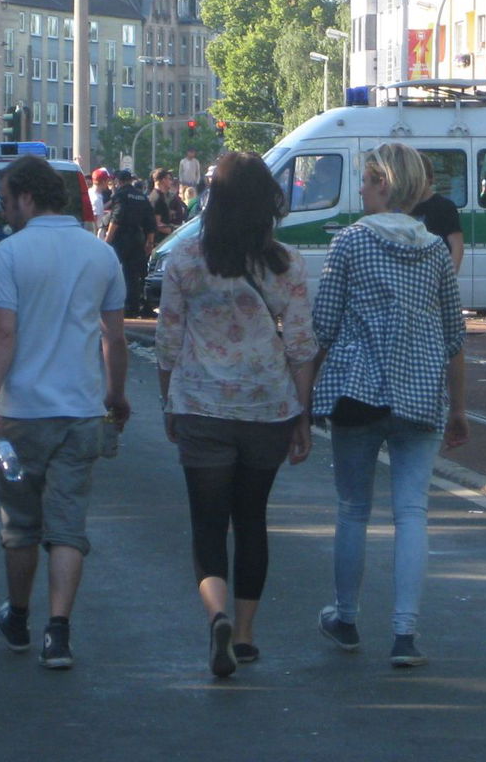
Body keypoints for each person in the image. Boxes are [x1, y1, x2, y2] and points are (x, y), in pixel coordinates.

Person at [156, 152, 320, 679]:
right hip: (266, 406)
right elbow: (300, 346)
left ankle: (218, 614)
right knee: (251, 521)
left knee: (208, 525)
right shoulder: (286, 263)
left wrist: (169, 401)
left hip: (202, 404)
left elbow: (166, 343)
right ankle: (246, 635)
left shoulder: (184, 259)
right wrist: (301, 415)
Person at [311, 143, 468, 669]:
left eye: (364, 180)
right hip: (421, 392)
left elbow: (324, 327)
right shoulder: (434, 252)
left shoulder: (351, 243)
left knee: (353, 509)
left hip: (358, 392)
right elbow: (454, 336)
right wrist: (460, 408)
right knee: (412, 513)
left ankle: (347, 618)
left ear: (382, 182)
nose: (359, 189)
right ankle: (405, 633)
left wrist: (303, 397)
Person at [0, 155, 130, 671]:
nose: (4, 211)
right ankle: (58, 633)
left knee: (21, 525)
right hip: (81, 409)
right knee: (68, 527)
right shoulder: (100, 254)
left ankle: (18, 617)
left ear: (25, 197)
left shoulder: (11, 253)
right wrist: (116, 395)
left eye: (5, 200)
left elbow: (3, 333)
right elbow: (114, 336)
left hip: (21, 413)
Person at [102, 168, 157, 317]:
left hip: (121, 239)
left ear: (118, 181)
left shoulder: (120, 195)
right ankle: (133, 306)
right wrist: (150, 242)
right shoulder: (141, 196)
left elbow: (116, 219)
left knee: (112, 271)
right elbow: (150, 221)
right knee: (133, 274)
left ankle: (115, 304)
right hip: (138, 239)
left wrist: (106, 242)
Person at [413, 158, 465, 272]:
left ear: (430, 178)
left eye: (419, 175)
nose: (415, 180)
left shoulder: (445, 207)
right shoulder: (403, 207)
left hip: (436, 274)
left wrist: (449, 277)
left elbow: (457, 246)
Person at [149, 168, 188, 244]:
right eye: (169, 179)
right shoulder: (157, 198)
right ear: (163, 180)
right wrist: (175, 230)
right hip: (159, 241)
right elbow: (157, 224)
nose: (171, 182)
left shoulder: (159, 196)